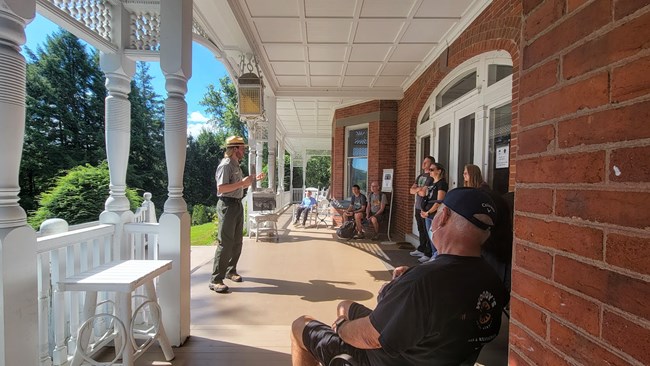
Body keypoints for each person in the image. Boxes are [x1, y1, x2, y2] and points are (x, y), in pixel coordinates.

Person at [290, 188, 508, 366]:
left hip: (384, 358)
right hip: (436, 353)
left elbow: (370, 337)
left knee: (300, 325)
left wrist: (340, 327)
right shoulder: (492, 281)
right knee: (344, 305)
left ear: (443, 217)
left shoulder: (422, 282)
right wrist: (403, 284)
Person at [209, 136, 264, 294]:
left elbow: (239, 186)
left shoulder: (236, 165)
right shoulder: (225, 165)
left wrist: (251, 180)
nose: (244, 150)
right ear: (234, 149)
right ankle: (216, 280)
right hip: (227, 205)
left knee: (237, 241)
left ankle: (230, 271)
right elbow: (221, 189)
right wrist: (242, 183)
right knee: (225, 242)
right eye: (242, 148)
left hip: (237, 204)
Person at [463, 164, 513, 295]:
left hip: (491, 249)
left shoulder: (483, 196)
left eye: (466, 173)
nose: (464, 176)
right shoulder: (484, 195)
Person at [417, 162, 448, 262]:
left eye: (431, 169)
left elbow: (439, 201)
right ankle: (432, 255)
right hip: (427, 213)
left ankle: (436, 256)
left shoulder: (442, 184)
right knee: (429, 236)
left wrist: (428, 212)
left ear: (439, 171)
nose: (429, 171)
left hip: (434, 214)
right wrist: (423, 210)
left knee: (435, 237)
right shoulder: (432, 183)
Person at [409, 156, 435, 258]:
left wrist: (417, 189)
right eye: (423, 162)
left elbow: (424, 193)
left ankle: (428, 253)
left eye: (426, 162)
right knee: (420, 229)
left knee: (426, 230)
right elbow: (411, 190)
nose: (423, 164)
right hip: (417, 206)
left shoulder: (431, 177)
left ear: (431, 164)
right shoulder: (420, 176)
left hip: (426, 207)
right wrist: (418, 189)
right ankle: (421, 248)